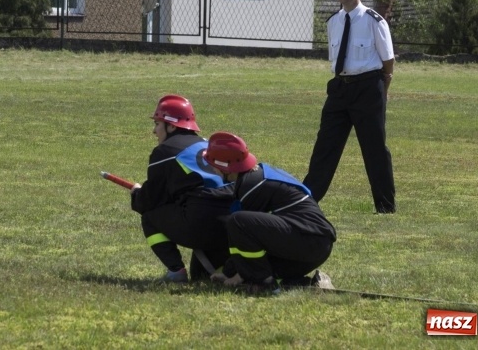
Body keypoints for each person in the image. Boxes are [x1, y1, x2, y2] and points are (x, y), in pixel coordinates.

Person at [303, 0, 396, 213]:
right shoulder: (333, 22)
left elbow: (388, 60)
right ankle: (307, 201)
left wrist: (384, 88)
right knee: (325, 145)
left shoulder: (374, 21)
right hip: (340, 89)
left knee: (374, 147)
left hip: (368, 88)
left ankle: (385, 206)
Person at [202, 131, 336, 293]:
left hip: (310, 241)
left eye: (214, 165)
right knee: (241, 226)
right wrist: (228, 273)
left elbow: (244, 235)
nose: (212, 169)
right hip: (315, 243)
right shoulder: (257, 176)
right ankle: (295, 282)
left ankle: (265, 283)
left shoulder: (250, 187)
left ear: (226, 168)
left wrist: (237, 276)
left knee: (237, 222)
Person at [130, 95, 234, 283]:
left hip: (201, 225)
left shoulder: (164, 152)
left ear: (171, 126)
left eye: (157, 124)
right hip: (231, 226)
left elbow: (150, 199)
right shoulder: (206, 144)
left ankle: (176, 270)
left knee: (149, 214)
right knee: (201, 277)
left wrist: (137, 193)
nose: (154, 131)